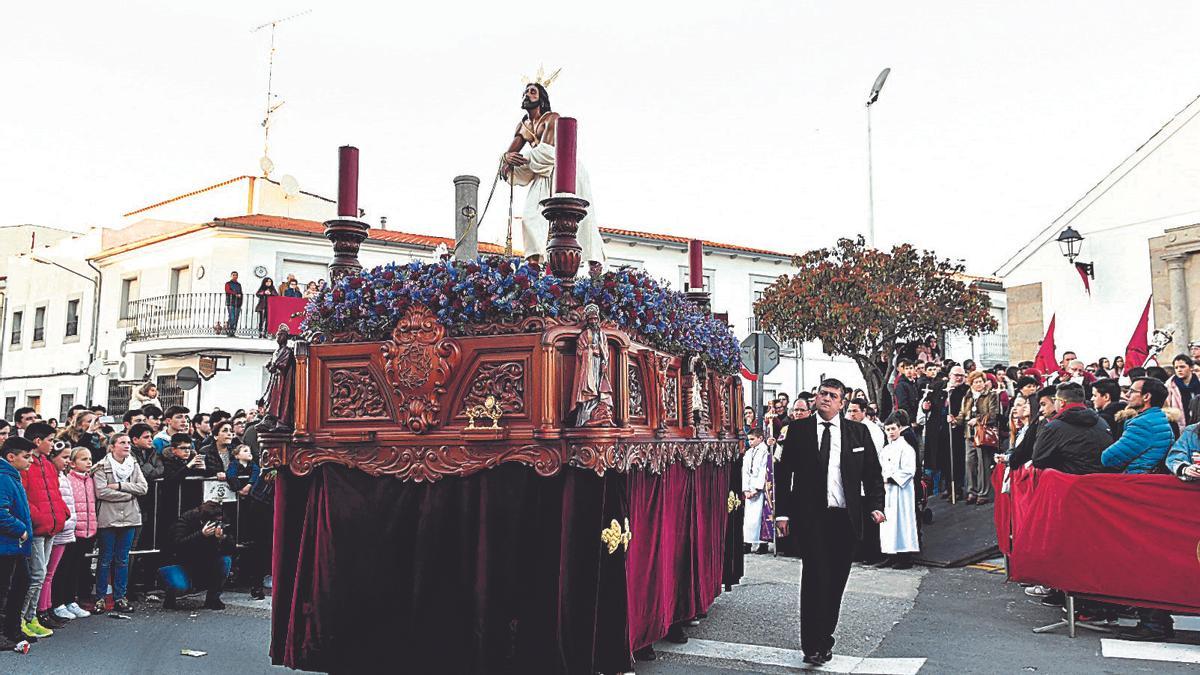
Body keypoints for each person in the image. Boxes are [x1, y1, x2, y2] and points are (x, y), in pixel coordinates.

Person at [775, 379, 884, 665]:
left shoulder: (857, 433)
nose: (825, 399)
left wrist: (875, 505)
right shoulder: (798, 430)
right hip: (812, 519)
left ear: (842, 402)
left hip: (845, 519)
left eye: (832, 396)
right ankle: (811, 644)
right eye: (822, 394)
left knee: (835, 582)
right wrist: (782, 513)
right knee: (814, 578)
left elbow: (872, 473)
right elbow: (784, 473)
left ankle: (825, 639)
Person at [19, 423, 69, 638]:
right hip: (38, 527)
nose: (53, 444)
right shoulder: (26, 465)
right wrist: (39, 517)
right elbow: (23, 497)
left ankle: (32, 617)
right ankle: (21, 618)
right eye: (50, 440)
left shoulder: (48, 465)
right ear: (38, 441)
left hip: (52, 525)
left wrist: (62, 513)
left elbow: (55, 493)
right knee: (36, 575)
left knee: (42, 573)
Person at [93, 431, 148, 614]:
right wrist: (130, 495)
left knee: (123, 559)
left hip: (130, 517)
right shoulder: (102, 466)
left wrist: (120, 486)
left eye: (128, 443)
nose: (127, 446)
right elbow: (101, 492)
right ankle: (100, 597)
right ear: (112, 446)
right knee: (105, 558)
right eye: (122, 442)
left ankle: (120, 597)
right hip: (108, 518)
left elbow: (143, 487)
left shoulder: (133, 465)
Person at [0, 437, 35, 651]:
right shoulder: (3, 477)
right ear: (11, 457)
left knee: (22, 583)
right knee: (3, 590)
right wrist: (20, 529)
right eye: (26, 456)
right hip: (6, 545)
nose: (30, 460)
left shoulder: (13, 476)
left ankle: (12, 630)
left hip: (15, 545)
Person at [1030, 382, 1109, 475]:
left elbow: (1038, 460)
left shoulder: (1054, 427)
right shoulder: (1102, 422)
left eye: (1055, 400)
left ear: (1062, 402)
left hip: (1069, 483)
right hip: (1102, 482)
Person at [165, 500, 231, 610]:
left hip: (205, 560)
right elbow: (178, 545)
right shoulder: (186, 520)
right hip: (180, 561)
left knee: (225, 560)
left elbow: (231, 549)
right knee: (180, 586)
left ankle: (213, 598)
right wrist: (201, 535)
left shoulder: (221, 520)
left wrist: (222, 539)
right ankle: (170, 594)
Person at [1102, 378, 1174, 475]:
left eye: (1132, 391)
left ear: (1146, 396)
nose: (1127, 395)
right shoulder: (1159, 418)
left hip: (1136, 480)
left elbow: (1109, 458)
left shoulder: (1143, 424)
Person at [38, 443, 76, 626]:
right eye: (64, 457)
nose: (68, 461)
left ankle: (48, 607)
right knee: (44, 573)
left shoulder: (61, 476)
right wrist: (61, 521)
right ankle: (42, 610)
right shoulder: (53, 477)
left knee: (50, 573)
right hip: (55, 529)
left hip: (64, 529)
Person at [57, 448, 95, 620]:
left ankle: (71, 600)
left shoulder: (90, 479)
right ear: (72, 463)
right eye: (83, 459)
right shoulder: (69, 480)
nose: (88, 462)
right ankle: (60, 601)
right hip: (73, 530)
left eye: (90, 459)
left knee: (79, 567)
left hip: (88, 529)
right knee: (65, 568)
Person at [877, 413, 919, 569]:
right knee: (888, 523)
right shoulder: (886, 449)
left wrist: (889, 479)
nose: (891, 432)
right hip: (887, 492)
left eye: (893, 429)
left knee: (902, 523)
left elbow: (909, 471)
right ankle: (890, 554)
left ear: (899, 429)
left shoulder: (906, 448)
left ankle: (905, 557)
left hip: (901, 492)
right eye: (888, 429)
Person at [955, 371, 998, 505]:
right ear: (971, 383)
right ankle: (972, 491)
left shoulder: (991, 395)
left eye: (980, 381)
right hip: (969, 434)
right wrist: (955, 420)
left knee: (983, 463)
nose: (979, 384)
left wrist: (978, 420)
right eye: (976, 382)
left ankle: (983, 493)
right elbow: (962, 414)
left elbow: (993, 414)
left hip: (983, 434)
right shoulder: (967, 397)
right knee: (970, 462)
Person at [741, 429, 770, 555]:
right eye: (749, 439)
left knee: (759, 517)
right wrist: (746, 489)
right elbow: (745, 471)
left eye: (752, 439)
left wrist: (757, 488)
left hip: (759, 489)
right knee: (748, 518)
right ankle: (747, 542)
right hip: (749, 488)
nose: (750, 442)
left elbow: (764, 470)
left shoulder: (765, 451)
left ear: (760, 438)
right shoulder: (748, 453)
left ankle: (762, 544)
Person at [1166, 354, 1200, 424]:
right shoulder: (1169, 386)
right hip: (1179, 425)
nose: (1179, 370)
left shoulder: (1198, 382)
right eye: (1176, 368)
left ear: (1191, 368)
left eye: (1182, 367)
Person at [224, 271, 243, 336]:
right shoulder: (228, 283)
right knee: (232, 317)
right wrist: (236, 294)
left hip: (238, 303)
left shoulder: (239, 284)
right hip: (230, 303)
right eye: (233, 275)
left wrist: (241, 302)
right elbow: (227, 290)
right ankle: (229, 330)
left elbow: (241, 293)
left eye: (236, 275)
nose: (235, 276)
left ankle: (233, 332)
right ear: (231, 276)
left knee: (236, 318)